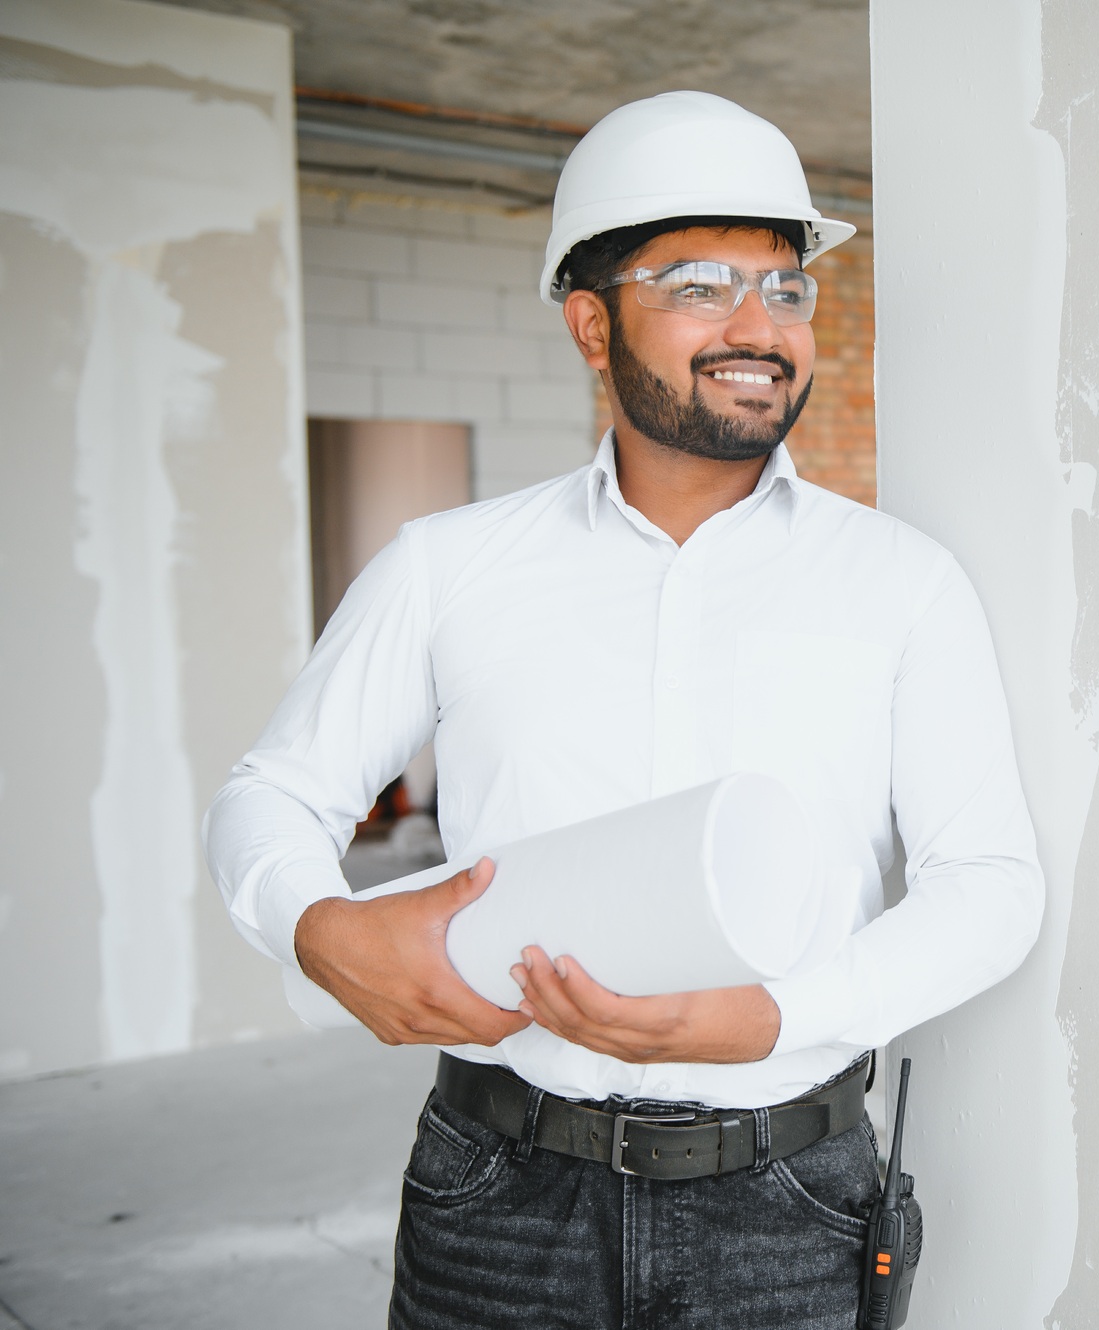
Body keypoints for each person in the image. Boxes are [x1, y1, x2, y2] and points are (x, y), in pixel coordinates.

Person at [202, 91, 1044, 1330]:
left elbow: (991, 882)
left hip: (789, 1206)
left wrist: (776, 1016)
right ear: (591, 325)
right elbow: (269, 794)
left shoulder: (900, 584)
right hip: (499, 1196)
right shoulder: (449, 566)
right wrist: (315, 926)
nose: (760, 325)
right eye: (701, 285)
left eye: (786, 287)